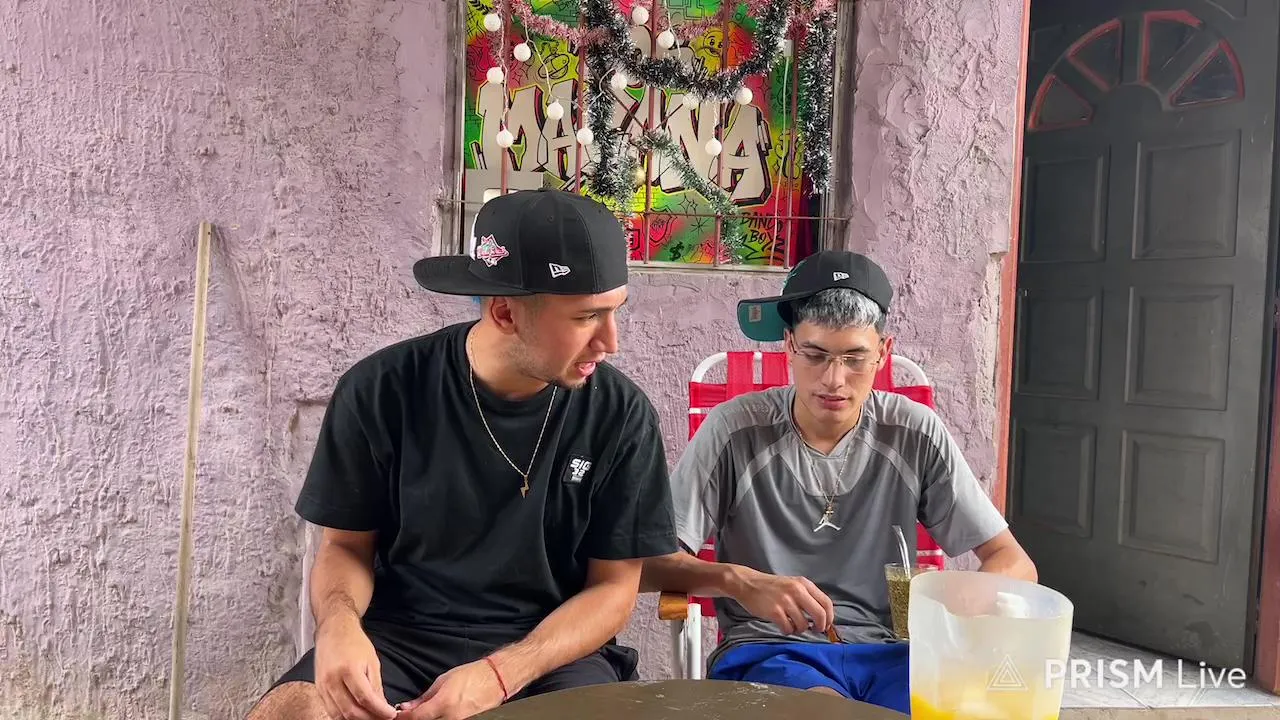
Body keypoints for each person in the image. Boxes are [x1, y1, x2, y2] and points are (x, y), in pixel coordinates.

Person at [248, 188, 677, 720]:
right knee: (292, 712)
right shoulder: (381, 390)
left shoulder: (622, 414)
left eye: (615, 312)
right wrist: (338, 625)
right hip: (400, 637)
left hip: (551, 650)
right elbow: (345, 547)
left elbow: (614, 589)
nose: (610, 341)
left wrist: (500, 673)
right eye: (587, 317)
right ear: (504, 312)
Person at [639, 250, 1036, 715]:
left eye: (855, 358)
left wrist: (961, 600)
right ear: (789, 345)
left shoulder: (913, 431)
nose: (834, 379)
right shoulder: (734, 430)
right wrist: (739, 581)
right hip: (773, 651)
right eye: (815, 355)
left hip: (895, 655)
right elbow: (647, 566)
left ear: (883, 352)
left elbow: (1014, 562)